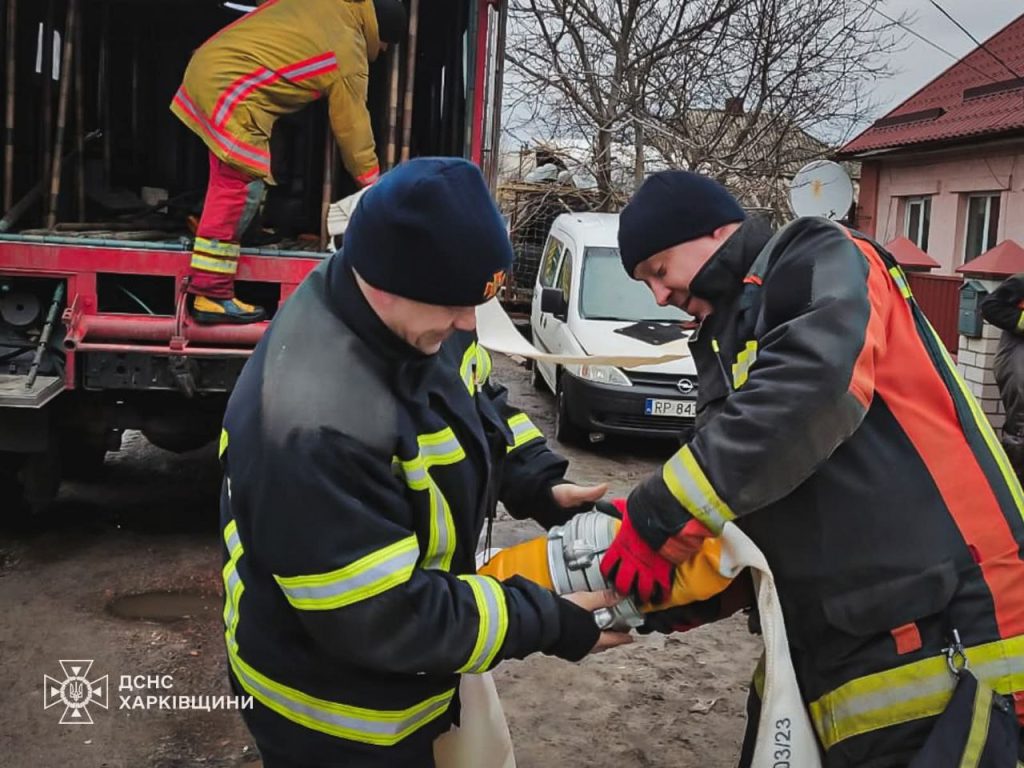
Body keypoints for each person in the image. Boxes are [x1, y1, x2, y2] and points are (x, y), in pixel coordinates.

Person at [599, 170, 1024, 767]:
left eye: (659, 271)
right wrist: (686, 590)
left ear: (716, 231)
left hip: (958, 649)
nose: (659, 297)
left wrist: (659, 513)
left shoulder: (820, 254)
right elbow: (765, 499)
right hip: (849, 661)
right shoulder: (736, 333)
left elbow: (810, 393)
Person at [217, 157, 631, 768]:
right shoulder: (312, 422)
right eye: (456, 307)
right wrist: (548, 619)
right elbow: (388, 617)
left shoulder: (419, 312)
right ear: (387, 281)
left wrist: (537, 480)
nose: (470, 322)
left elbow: (478, 398)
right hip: (335, 719)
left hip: (407, 685)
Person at [170, 0, 408, 325]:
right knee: (238, 188)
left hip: (214, 70)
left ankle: (231, 231)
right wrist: (371, 182)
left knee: (244, 175)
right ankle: (210, 293)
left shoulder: (328, 7)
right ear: (380, 30)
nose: (380, 52)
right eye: (384, 45)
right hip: (231, 88)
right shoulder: (348, 47)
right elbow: (352, 125)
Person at [982, 274, 1024, 479]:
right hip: (1017, 361)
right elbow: (990, 306)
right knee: (1020, 430)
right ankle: (1015, 489)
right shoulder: (1021, 282)